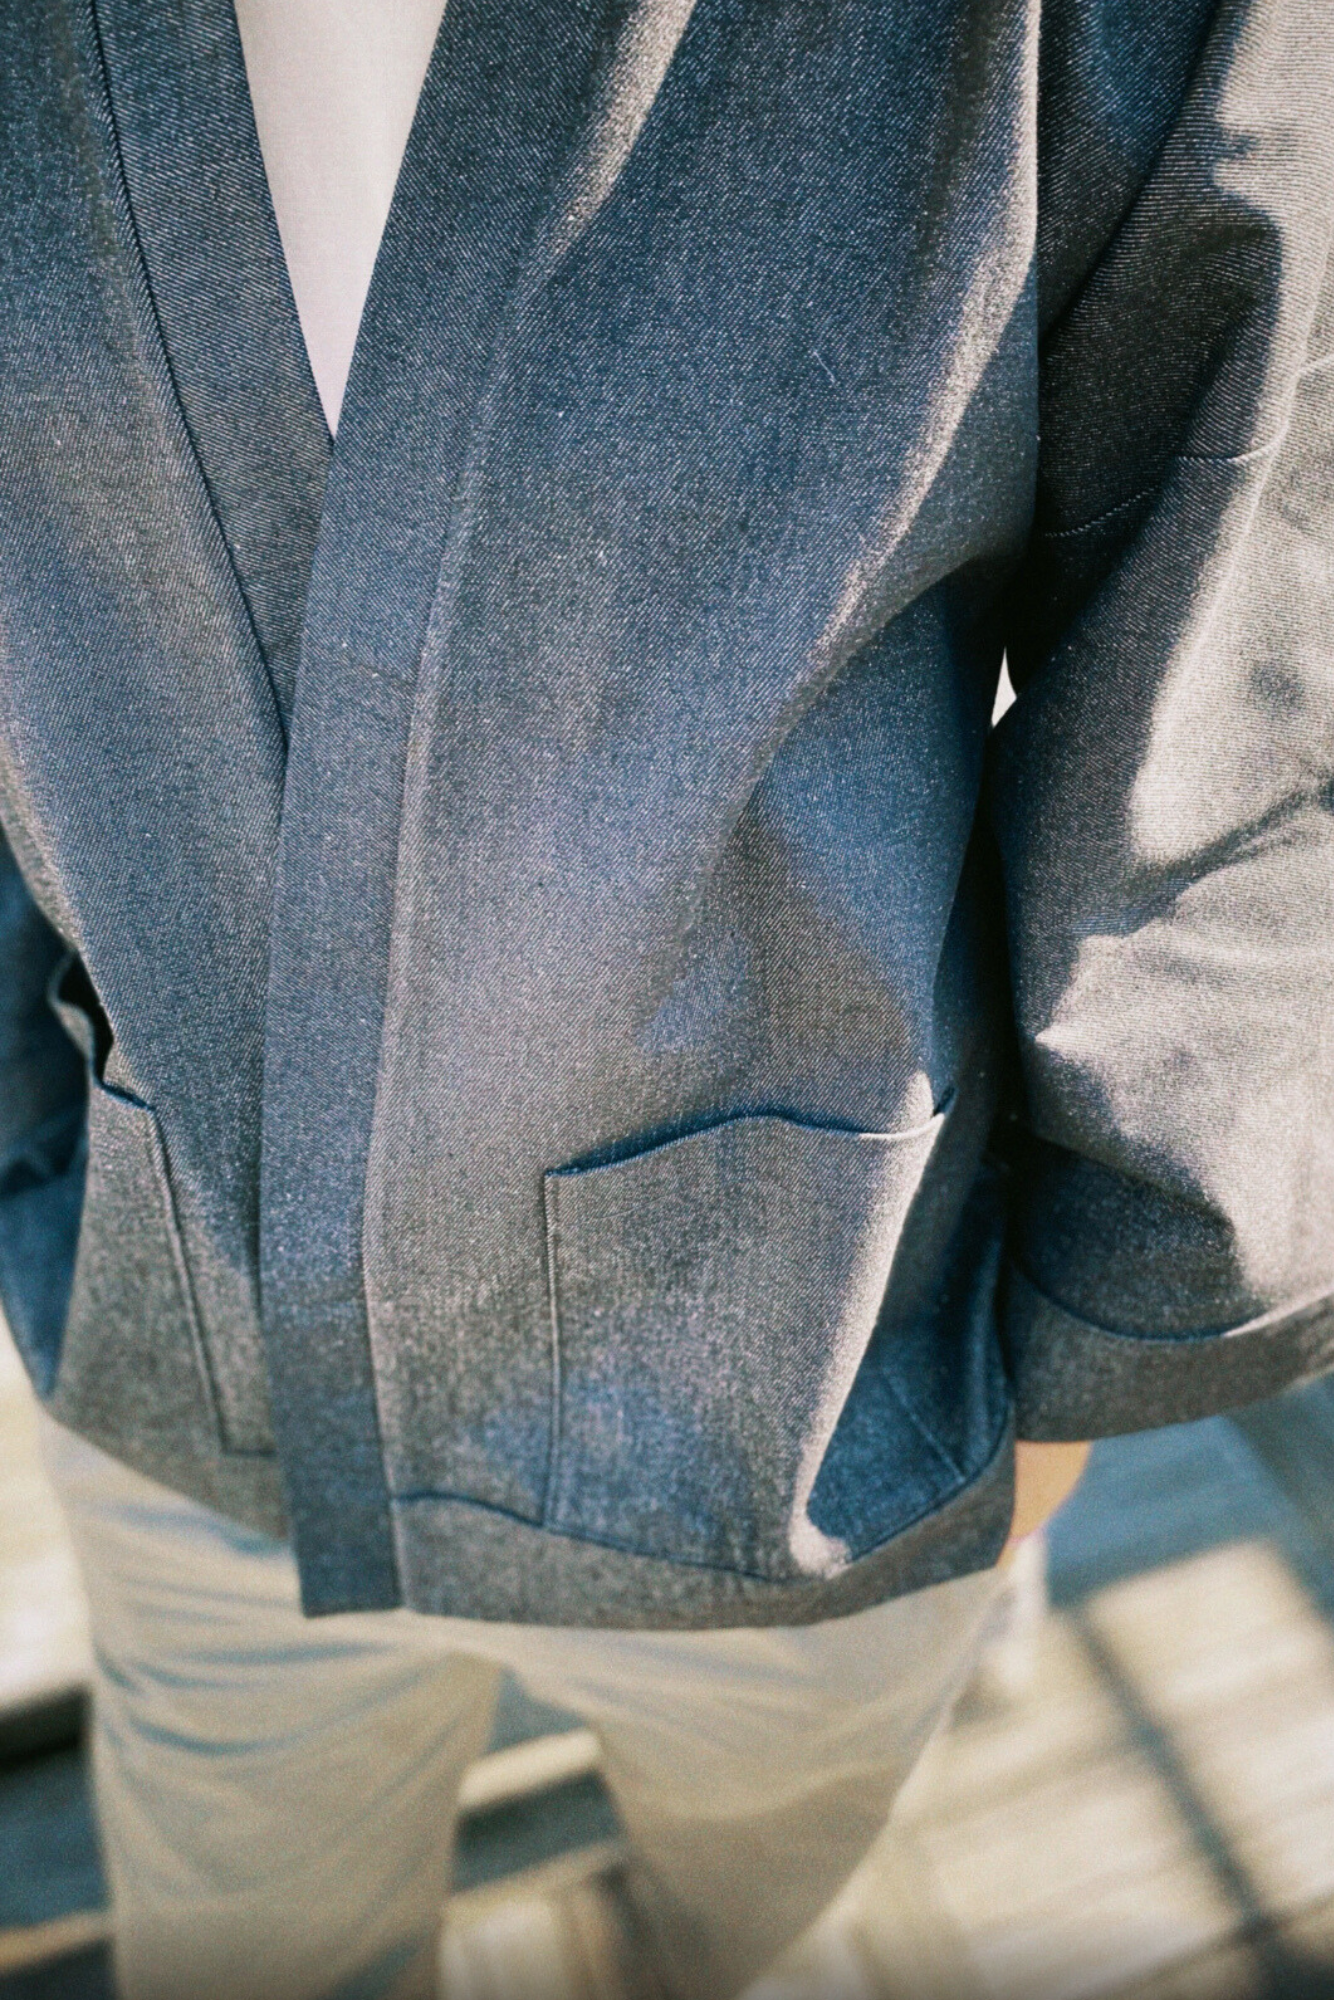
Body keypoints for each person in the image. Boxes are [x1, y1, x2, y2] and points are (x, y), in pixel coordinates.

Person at [0, 0, 1330, 1992]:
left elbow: (1222, 616)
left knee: (741, 1931)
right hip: (181, 1351)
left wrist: (1087, 1365)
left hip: (809, 1390)